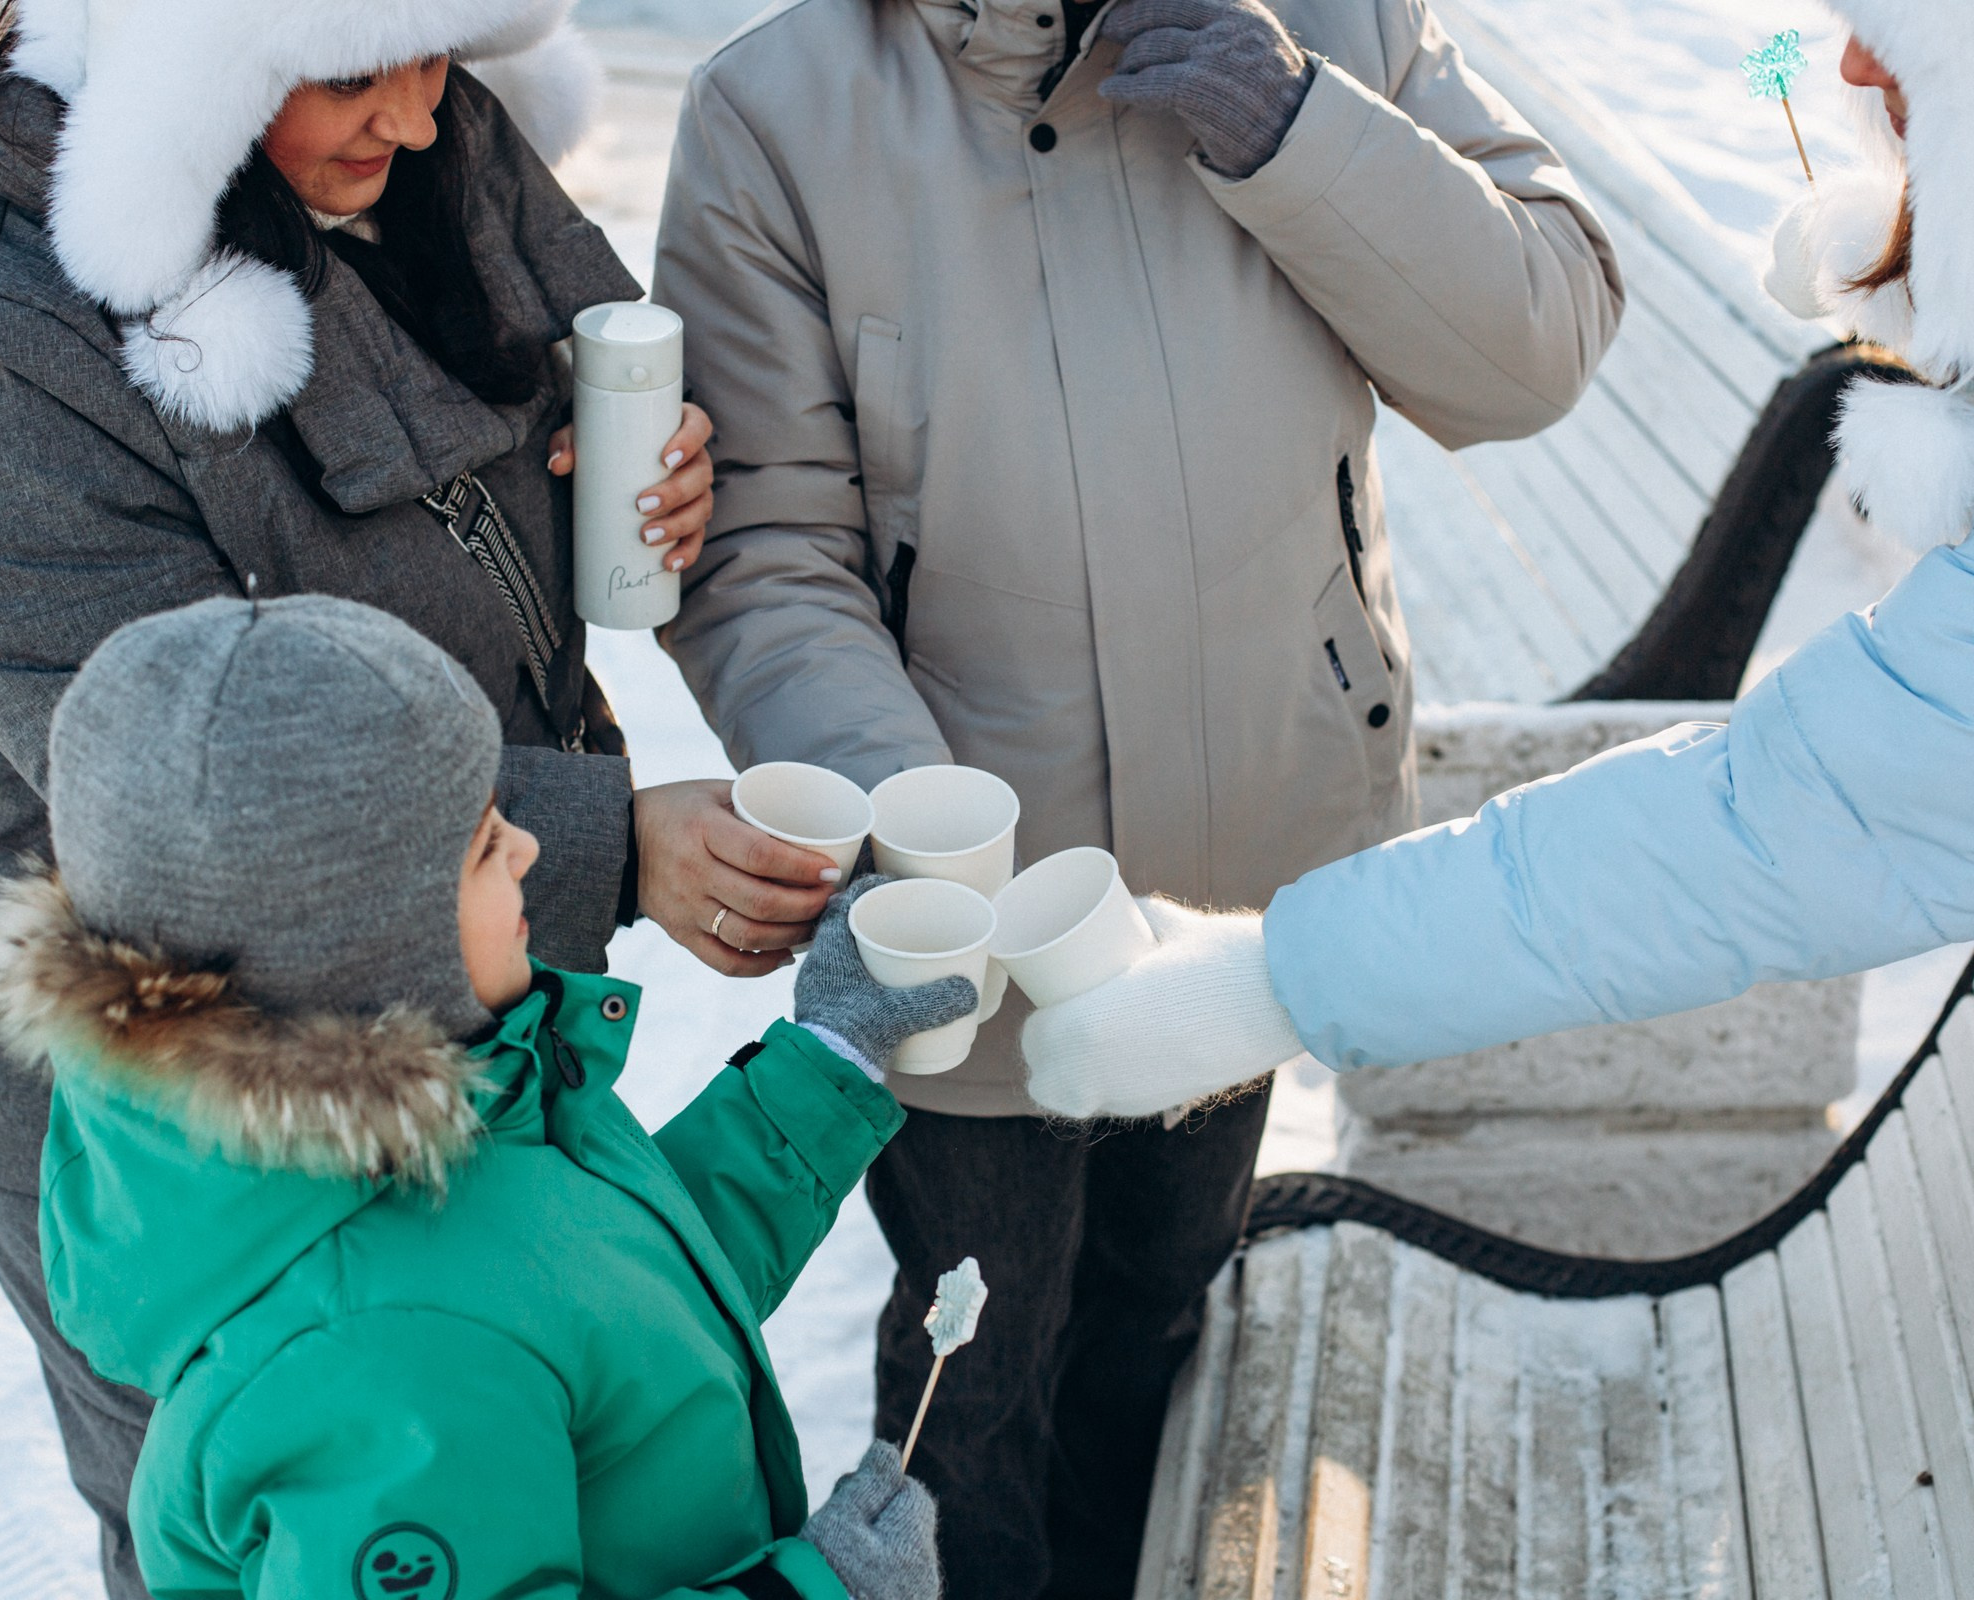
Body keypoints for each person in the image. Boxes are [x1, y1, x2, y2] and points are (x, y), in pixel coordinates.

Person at [0, 4, 837, 1592]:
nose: (426, 124)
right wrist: (608, 851)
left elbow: (581, 333)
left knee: (497, 1326)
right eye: (363, 70)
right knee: (254, 1413)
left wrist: (642, 452)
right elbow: (189, 765)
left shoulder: (407, 115)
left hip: (439, 840)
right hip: (118, 946)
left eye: (445, 58)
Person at [649, 0, 1624, 1591]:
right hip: (975, 931)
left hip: (1246, 878)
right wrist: (925, 837)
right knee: (978, 1376)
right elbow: (765, 555)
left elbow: (1535, 349)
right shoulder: (775, 109)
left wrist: (1304, 130)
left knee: (1165, 1320)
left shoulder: (1329, 25)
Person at [1018, 0, 1974, 1185]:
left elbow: (1782, 828)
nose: (1850, 60)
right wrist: (1966, 285)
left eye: (1920, 35)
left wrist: (1274, 983)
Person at [0, 593, 965, 1600]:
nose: (531, 850)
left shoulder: (452, 1109)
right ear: (376, 947)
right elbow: (499, 1311)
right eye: (489, 843)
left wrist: (829, 1059)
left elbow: (610, 1288)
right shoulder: (374, 1353)